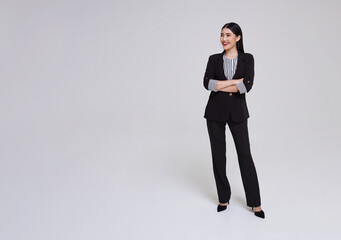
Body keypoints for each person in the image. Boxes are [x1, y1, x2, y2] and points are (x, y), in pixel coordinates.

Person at [203, 22, 265, 219]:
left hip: (238, 113)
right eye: (222, 35)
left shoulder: (248, 59)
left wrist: (221, 85)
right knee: (218, 156)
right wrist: (233, 82)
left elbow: (246, 86)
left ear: (238, 38)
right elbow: (207, 83)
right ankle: (223, 198)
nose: (224, 39)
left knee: (245, 156)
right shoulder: (213, 59)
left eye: (228, 35)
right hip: (214, 113)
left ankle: (255, 203)